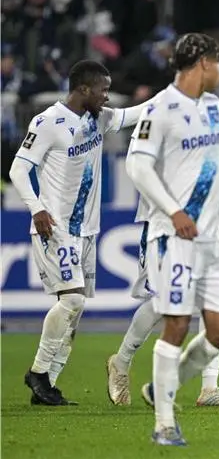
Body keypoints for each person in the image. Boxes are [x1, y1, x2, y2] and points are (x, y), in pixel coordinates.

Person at [126, 33, 219, 446]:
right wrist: (173, 210)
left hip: (213, 238)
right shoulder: (160, 109)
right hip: (174, 235)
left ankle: (164, 386)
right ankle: (164, 423)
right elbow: (138, 168)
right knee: (177, 323)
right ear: (202, 64)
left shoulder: (214, 108)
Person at [9, 60, 150, 406]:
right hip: (55, 226)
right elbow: (18, 168)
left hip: (87, 230)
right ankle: (39, 372)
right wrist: (37, 208)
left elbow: (134, 114)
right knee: (71, 300)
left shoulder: (97, 119)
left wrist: (175, 96)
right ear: (83, 89)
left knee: (75, 309)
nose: (107, 96)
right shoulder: (48, 122)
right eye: (103, 89)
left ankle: (48, 386)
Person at [105, 155, 219, 407]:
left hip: (205, 229)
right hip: (163, 229)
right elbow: (137, 166)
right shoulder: (159, 122)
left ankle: (209, 388)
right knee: (164, 303)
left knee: (212, 302)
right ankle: (122, 361)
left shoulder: (210, 127)